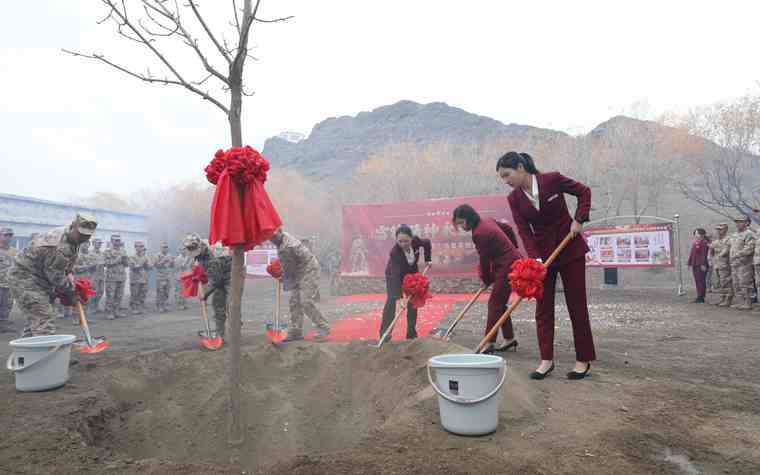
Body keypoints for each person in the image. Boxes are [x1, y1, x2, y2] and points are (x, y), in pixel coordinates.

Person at [497, 151, 596, 380]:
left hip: (570, 248)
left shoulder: (552, 179)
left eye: (507, 175)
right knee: (543, 309)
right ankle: (546, 360)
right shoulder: (514, 199)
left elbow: (584, 192)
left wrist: (578, 219)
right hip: (543, 257)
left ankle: (583, 360)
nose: (505, 180)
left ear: (520, 167)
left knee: (577, 305)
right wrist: (536, 259)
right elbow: (524, 230)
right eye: (502, 177)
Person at [9, 214, 97, 337]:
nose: (84, 238)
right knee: (44, 318)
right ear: (73, 226)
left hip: (41, 278)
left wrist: (71, 279)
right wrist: (72, 291)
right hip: (26, 279)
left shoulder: (72, 238)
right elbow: (56, 278)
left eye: (88, 235)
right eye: (81, 234)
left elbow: (65, 267)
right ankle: (44, 347)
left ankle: (29, 346)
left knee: (37, 319)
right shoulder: (59, 246)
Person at [452, 205, 520, 354]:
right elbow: (507, 228)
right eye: (459, 224)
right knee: (499, 303)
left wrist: (486, 279)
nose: (462, 227)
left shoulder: (479, 233)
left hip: (507, 266)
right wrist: (515, 247)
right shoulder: (486, 220)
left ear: (470, 218)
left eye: (462, 222)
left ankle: (489, 342)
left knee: (494, 303)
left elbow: (484, 260)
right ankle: (509, 338)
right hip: (507, 262)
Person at [270, 228, 331, 342]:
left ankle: (323, 327)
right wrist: (282, 273)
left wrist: (281, 275)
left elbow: (289, 269)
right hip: (298, 271)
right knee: (294, 301)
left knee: (305, 301)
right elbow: (289, 267)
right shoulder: (281, 241)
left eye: (274, 236)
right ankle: (296, 331)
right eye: (270, 238)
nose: (272, 239)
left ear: (280, 232)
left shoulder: (287, 246)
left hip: (309, 269)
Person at [379, 225, 432, 342]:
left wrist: (428, 259)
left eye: (406, 241)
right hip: (394, 276)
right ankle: (384, 334)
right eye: (400, 241)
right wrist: (400, 298)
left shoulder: (416, 241)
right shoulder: (394, 253)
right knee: (392, 301)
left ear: (411, 238)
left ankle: (411, 334)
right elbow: (396, 276)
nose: (403, 244)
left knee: (413, 301)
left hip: (411, 273)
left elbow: (427, 243)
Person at [183, 234, 231, 339]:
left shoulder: (212, 255)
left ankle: (235, 333)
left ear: (199, 245)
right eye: (189, 248)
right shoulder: (199, 255)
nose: (191, 250)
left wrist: (205, 293)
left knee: (231, 304)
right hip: (218, 276)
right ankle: (220, 335)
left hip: (231, 276)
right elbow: (208, 274)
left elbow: (215, 280)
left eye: (192, 248)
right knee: (218, 305)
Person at [728, 216, 755, 310]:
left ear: (747, 223)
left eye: (740, 221)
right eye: (737, 222)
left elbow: (749, 248)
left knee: (745, 283)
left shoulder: (749, 234)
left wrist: (738, 254)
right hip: (734, 263)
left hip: (744, 263)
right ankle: (740, 302)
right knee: (736, 283)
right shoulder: (734, 235)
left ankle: (748, 302)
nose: (738, 224)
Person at [104, 234, 129, 320]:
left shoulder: (123, 251)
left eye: (119, 240)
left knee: (119, 295)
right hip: (111, 277)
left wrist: (125, 260)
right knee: (110, 295)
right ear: (112, 241)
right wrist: (116, 260)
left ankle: (116, 311)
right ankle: (109, 312)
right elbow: (105, 263)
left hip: (121, 276)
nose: (118, 242)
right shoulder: (107, 251)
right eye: (116, 240)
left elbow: (127, 264)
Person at [710, 224, 733, 306]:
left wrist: (720, 255)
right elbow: (711, 251)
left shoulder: (729, 239)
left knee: (726, 282)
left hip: (725, 264)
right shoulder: (715, 241)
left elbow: (726, 251)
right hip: (717, 264)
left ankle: (728, 299)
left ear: (725, 230)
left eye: (721, 229)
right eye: (718, 229)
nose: (719, 231)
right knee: (719, 282)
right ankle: (722, 298)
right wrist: (711, 259)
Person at [0, 227, 16, 333]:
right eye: (5, 235)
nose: (8, 237)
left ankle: (3, 324)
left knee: (7, 305)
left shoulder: (14, 251)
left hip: (9, 283)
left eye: (10, 235)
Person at [128, 241, 151, 316]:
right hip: (135, 279)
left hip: (143, 278)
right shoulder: (132, 257)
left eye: (142, 246)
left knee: (143, 294)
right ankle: (134, 308)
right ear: (135, 247)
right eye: (139, 246)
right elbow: (134, 267)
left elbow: (149, 267)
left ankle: (140, 307)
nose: (141, 248)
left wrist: (148, 264)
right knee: (135, 294)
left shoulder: (145, 257)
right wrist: (143, 261)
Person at [687, 228, 709, 303]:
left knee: (701, 281)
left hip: (701, 265)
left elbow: (704, 254)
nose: (696, 235)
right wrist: (689, 263)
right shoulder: (695, 243)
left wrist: (703, 264)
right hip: (695, 264)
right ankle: (699, 295)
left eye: (697, 234)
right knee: (697, 280)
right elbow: (692, 254)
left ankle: (701, 297)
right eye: (695, 234)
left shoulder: (704, 243)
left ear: (702, 235)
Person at [153, 242, 174, 313]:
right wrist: (164, 260)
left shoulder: (169, 255)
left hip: (168, 276)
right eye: (164, 247)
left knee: (167, 292)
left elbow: (172, 266)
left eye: (166, 247)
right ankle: (159, 306)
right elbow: (156, 265)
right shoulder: (157, 255)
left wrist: (172, 262)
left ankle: (164, 305)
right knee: (160, 292)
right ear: (161, 248)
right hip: (160, 277)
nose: (165, 248)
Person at [90, 238, 106, 314]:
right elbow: (89, 264)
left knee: (101, 291)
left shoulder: (102, 253)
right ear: (93, 244)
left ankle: (96, 305)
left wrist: (104, 263)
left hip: (101, 275)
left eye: (100, 243)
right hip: (94, 275)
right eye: (98, 243)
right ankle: (92, 307)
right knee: (94, 292)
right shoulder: (90, 253)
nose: (99, 245)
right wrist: (97, 264)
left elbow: (105, 263)